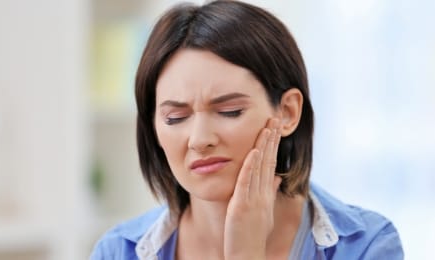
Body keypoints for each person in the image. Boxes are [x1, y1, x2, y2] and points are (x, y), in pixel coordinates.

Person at [90, 0, 404, 259]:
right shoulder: (117, 252)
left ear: (288, 112)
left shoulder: (367, 246)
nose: (200, 140)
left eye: (230, 111)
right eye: (175, 118)